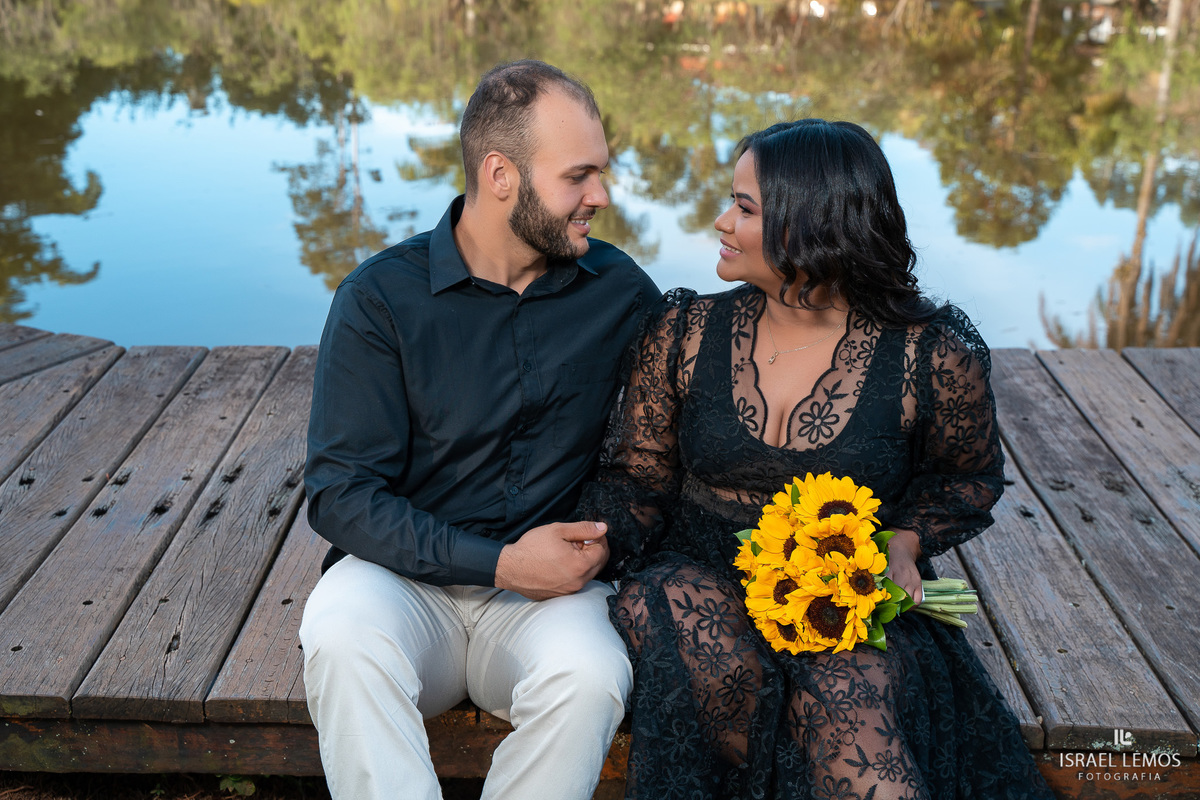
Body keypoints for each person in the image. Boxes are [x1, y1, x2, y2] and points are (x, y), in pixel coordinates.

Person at [576, 119, 1055, 799]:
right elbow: (639, 477)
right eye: (732, 202)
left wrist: (904, 542)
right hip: (701, 566)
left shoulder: (931, 353)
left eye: (745, 208)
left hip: (844, 587)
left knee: (847, 701)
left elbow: (965, 479)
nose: (721, 221)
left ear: (811, 225)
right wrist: (591, 543)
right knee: (691, 627)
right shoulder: (683, 330)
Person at [299, 60, 659, 800]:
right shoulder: (379, 299)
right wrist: (500, 563)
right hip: (402, 584)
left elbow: (686, 421)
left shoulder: (620, 291)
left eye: (600, 173)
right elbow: (340, 494)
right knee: (339, 638)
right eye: (578, 176)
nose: (600, 196)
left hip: (551, 596)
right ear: (500, 174)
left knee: (591, 675)